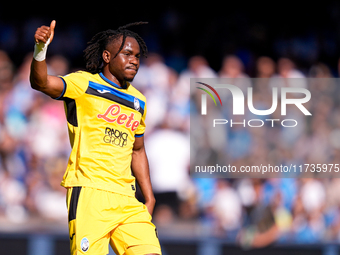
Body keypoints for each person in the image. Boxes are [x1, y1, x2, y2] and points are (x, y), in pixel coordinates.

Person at [30, 20, 161, 255]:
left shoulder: (138, 101)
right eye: (128, 54)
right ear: (107, 56)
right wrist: (41, 49)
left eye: (138, 56)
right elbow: (40, 82)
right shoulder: (84, 84)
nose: (134, 60)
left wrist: (149, 197)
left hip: (127, 199)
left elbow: (137, 150)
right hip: (90, 193)